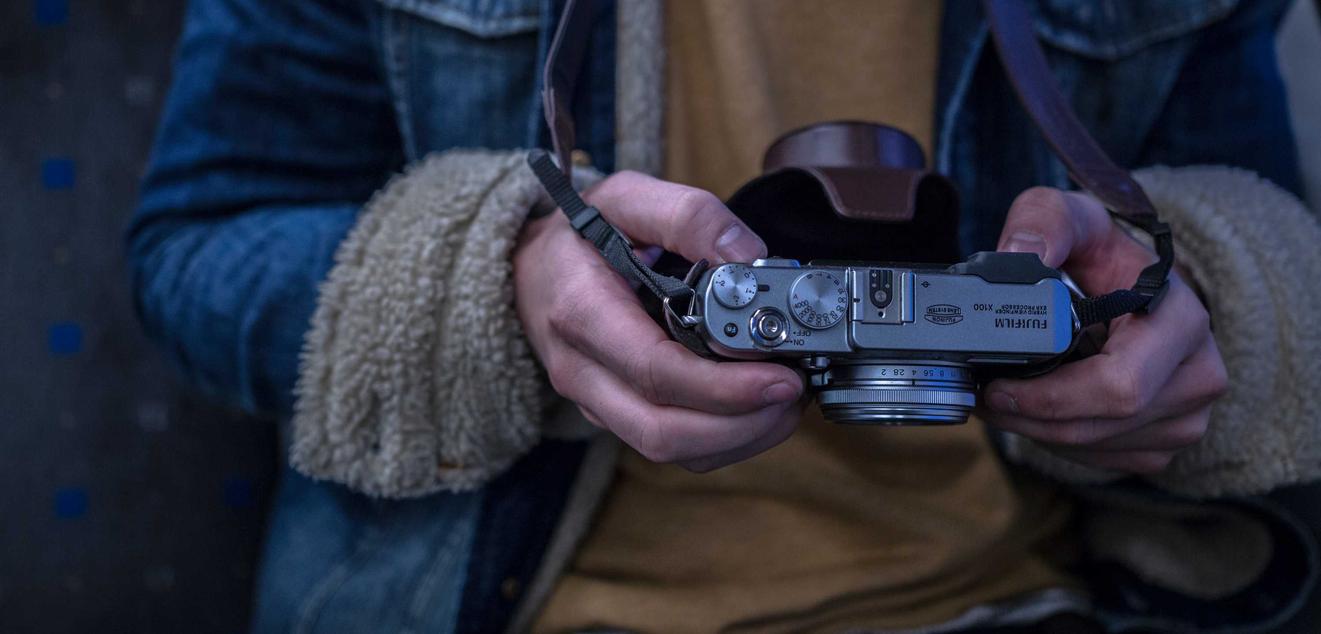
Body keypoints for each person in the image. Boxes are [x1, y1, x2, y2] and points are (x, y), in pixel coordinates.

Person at [128, 0, 1321, 632]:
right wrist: (496, 284)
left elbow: (1260, 230)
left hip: (1027, 596)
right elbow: (195, 245)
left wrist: (1202, 302)